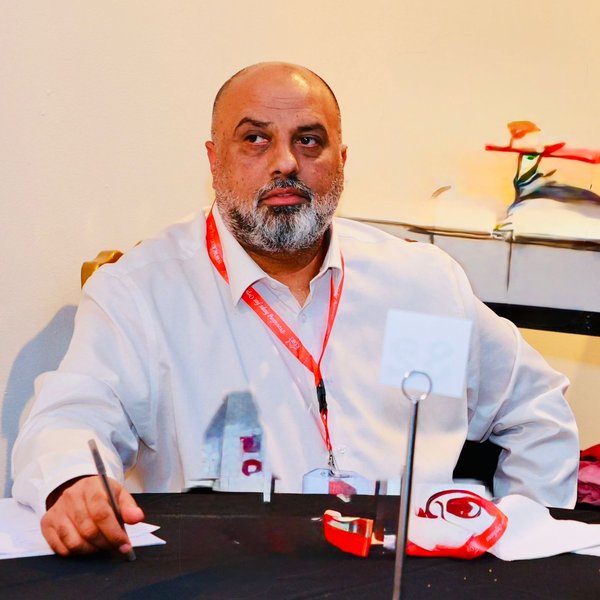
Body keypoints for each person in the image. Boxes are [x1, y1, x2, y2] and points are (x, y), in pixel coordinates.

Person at [12, 62, 579, 557]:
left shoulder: (419, 285)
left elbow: (535, 410)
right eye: (255, 139)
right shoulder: (143, 291)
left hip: (405, 572)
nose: (284, 162)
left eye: (309, 141)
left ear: (341, 160)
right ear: (214, 160)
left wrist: (519, 544)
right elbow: (68, 418)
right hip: (230, 572)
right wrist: (74, 482)